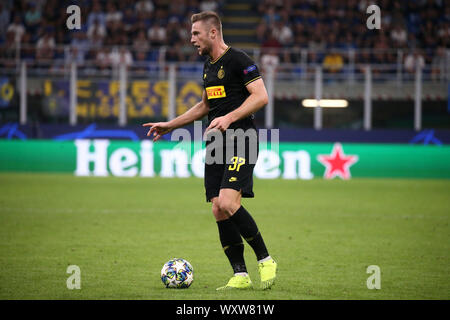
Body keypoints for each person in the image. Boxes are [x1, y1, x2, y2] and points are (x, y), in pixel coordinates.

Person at [143, 11, 277, 290]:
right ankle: (240, 275)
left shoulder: (239, 60)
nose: (191, 39)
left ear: (212, 33)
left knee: (229, 202)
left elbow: (261, 96)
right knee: (218, 209)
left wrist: (229, 118)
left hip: (242, 138)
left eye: (196, 34)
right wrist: (170, 125)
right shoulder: (207, 66)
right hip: (216, 144)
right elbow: (205, 105)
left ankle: (265, 259)